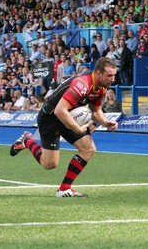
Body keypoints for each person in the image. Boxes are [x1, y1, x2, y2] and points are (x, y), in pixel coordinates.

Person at [9, 57, 118, 198]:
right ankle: (27, 141)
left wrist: (106, 122)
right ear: (98, 73)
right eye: (109, 75)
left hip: (69, 116)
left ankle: (64, 189)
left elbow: (95, 110)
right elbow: (59, 111)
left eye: (114, 75)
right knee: (49, 164)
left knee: (88, 149)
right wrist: (78, 129)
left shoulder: (101, 88)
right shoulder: (82, 84)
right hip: (50, 119)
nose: (113, 79)